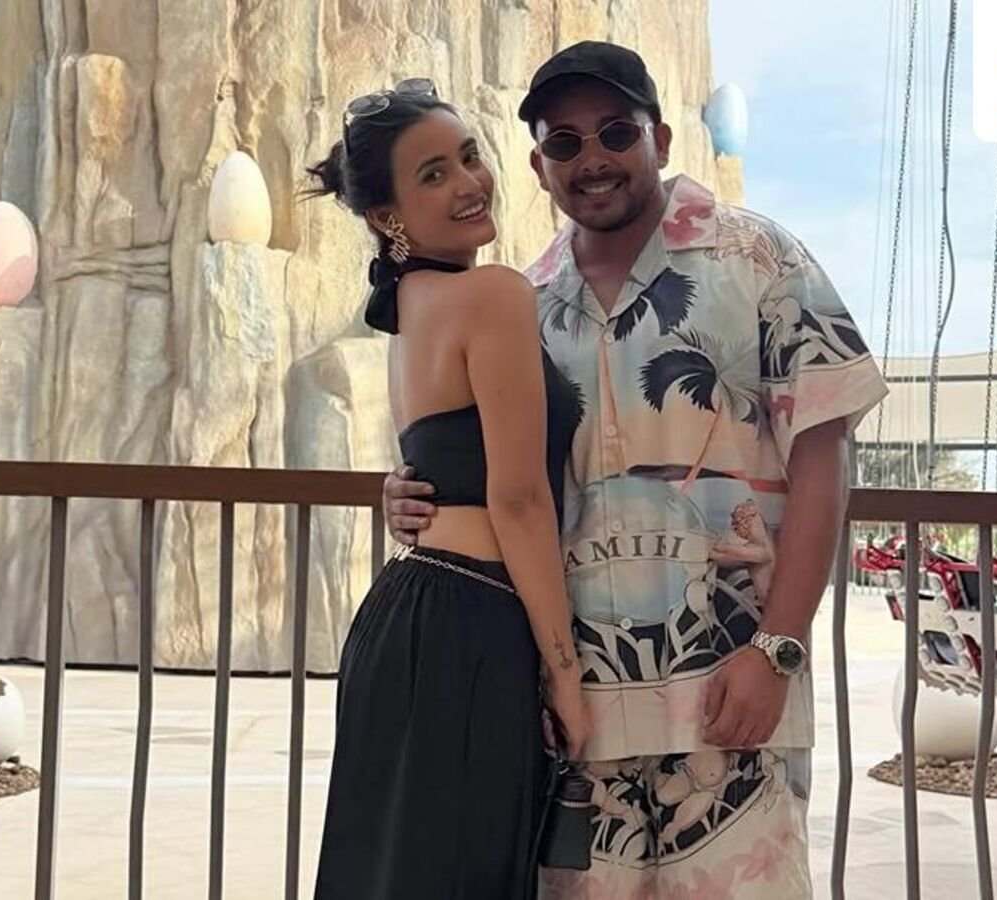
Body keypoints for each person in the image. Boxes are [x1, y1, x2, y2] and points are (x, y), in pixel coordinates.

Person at [382, 42, 889, 898]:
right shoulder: (526, 299)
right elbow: (491, 470)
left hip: (733, 697)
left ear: (658, 137)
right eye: (564, 141)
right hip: (574, 712)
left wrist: (778, 648)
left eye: (615, 131)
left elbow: (823, 453)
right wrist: (403, 489)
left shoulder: (758, 258)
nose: (592, 158)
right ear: (538, 166)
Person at [304, 78, 592, 900]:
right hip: (471, 624)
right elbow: (517, 499)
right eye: (433, 174)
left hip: (409, 620)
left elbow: (443, 463)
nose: (469, 182)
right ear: (387, 217)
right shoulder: (492, 293)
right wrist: (563, 672)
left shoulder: (412, 309)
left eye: (468, 157)